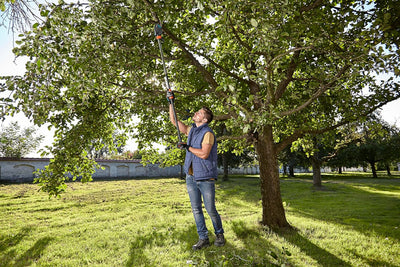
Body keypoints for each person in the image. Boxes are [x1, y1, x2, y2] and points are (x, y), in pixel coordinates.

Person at [169, 103, 225, 250]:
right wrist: (170, 101)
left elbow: (204, 154)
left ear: (205, 120)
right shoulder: (192, 130)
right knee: (196, 209)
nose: (196, 113)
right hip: (191, 177)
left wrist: (187, 147)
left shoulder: (208, 133)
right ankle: (203, 238)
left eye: (199, 113)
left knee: (210, 209)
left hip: (205, 177)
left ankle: (219, 235)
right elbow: (174, 121)